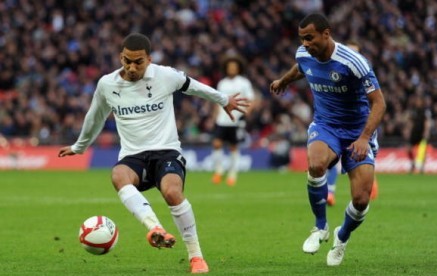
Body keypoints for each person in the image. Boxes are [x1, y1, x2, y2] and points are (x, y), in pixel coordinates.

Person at [58, 33, 249, 274]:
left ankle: (196, 257)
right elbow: (94, 116)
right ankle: (156, 229)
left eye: (138, 61)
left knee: (171, 192)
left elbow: (193, 86)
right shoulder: (107, 84)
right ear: (120, 57)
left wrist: (223, 100)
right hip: (133, 155)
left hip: (166, 151)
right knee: (118, 175)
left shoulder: (165, 75)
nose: (132, 66)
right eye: (127, 60)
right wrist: (80, 146)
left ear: (149, 59)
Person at [270, 13, 386, 266]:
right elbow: (300, 68)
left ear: (326, 33)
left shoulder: (353, 62)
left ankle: (341, 237)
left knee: (361, 199)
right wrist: (283, 81)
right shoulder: (303, 54)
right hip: (326, 125)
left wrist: (365, 137)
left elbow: (379, 102)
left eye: (309, 38)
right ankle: (320, 226)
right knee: (316, 164)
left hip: (357, 132)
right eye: (302, 39)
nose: (305, 44)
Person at [326, 40, 379, 206]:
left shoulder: (364, 72)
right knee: (333, 157)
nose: (351, 56)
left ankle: (370, 179)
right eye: (348, 52)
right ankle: (330, 192)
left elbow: (376, 100)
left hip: (360, 124)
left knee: (367, 155)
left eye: (355, 53)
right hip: (337, 123)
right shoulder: (335, 72)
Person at [211, 55, 255, 186]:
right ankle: (219, 171)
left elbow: (251, 100)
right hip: (222, 119)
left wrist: (246, 114)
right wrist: (215, 115)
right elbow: (216, 101)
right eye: (230, 67)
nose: (232, 69)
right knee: (217, 144)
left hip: (236, 119)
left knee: (233, 146)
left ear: (238, 68)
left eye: (234, 67)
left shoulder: (244, 82)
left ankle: (232, 174)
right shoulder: (222, 82)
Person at [406, 95, 432, 173]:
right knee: (409, 149)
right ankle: (413, 164)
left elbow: (427, 122)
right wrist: (408, 130)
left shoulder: (425, 111)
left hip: (421, 133)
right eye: (416, 101)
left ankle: (422, 167)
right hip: (414, 133)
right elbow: (410, 121)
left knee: (423, 150)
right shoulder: (413, 110)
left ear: (421, 102)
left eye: (419, 101)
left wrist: (426, 131)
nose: (417, 102)